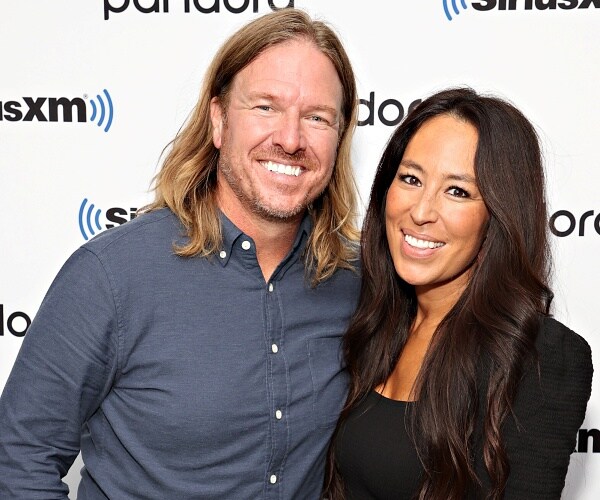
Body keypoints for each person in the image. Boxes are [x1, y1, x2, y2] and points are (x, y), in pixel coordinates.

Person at [0, 9, 361, 499]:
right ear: (218, 121)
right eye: (265, 108)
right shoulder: (111, 277)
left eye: (317, 117)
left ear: (340, 137)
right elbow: (19, 457)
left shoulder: (358, 282)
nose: (291, 138)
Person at [325, 87, 593, 499]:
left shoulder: (541, 356)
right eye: (411, 179)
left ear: (498, 216)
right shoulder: (373, 318)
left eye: (457, 191)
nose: (421, 211)